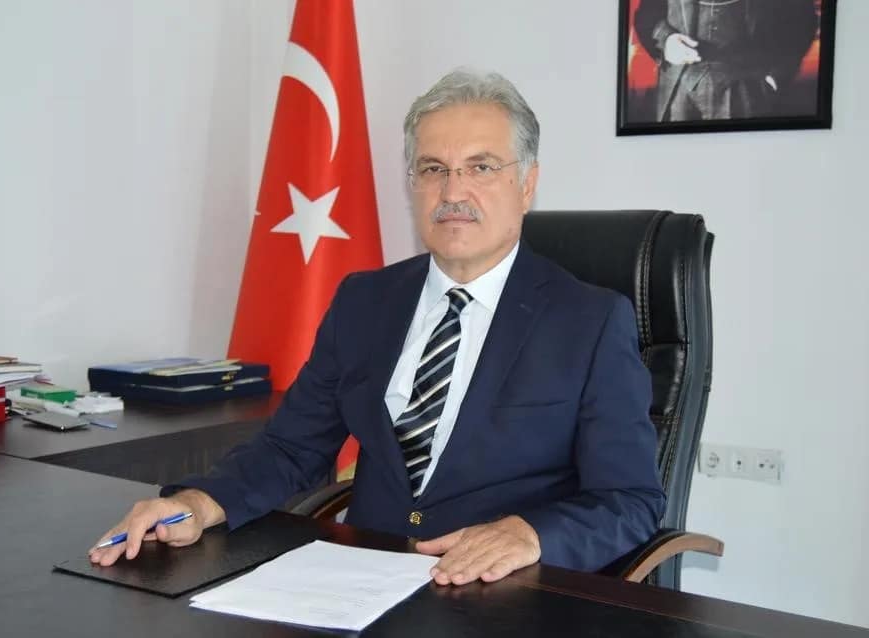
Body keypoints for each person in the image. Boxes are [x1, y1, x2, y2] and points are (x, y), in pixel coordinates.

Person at [90, 69, 665, 586]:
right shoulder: (365, 301)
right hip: (361, 581)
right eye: (433, 169)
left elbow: (630, 499)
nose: (453, 192)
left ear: (528, 183)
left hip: (501, 596)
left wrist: (530, 534)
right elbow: (292, 447)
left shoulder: (590, 321)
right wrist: (199, 502)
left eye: (481, 167)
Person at [634, 0, 818, 122]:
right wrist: (666, 40)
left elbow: (802, 20)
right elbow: (648, 15)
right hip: (676, 96)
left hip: (747, 96)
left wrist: (777, 76)